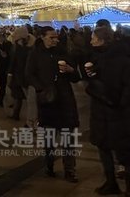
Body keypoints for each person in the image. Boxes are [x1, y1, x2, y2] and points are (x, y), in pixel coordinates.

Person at [25, 26, 80, 183]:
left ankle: (70, 170)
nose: (55, 39)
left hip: (65, 100)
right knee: (49, 137)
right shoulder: (35, 54)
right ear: (42, 37)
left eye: (56, 37)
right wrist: (41, 88)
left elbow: (76, 77)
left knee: (67, 137)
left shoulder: (63, 52)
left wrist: (70, 70)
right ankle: (49, 164)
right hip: (47, 101)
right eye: (51, 37)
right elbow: (29, 74)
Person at [85, 25, 130, 195]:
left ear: (102, 41)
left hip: (118, 113)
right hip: (101, 113)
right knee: (104, 148)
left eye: (93, 39)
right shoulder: (97, 58)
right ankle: (110, 182)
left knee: (123, 151)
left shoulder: (121, 59)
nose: (90, 41)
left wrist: (119, 103)